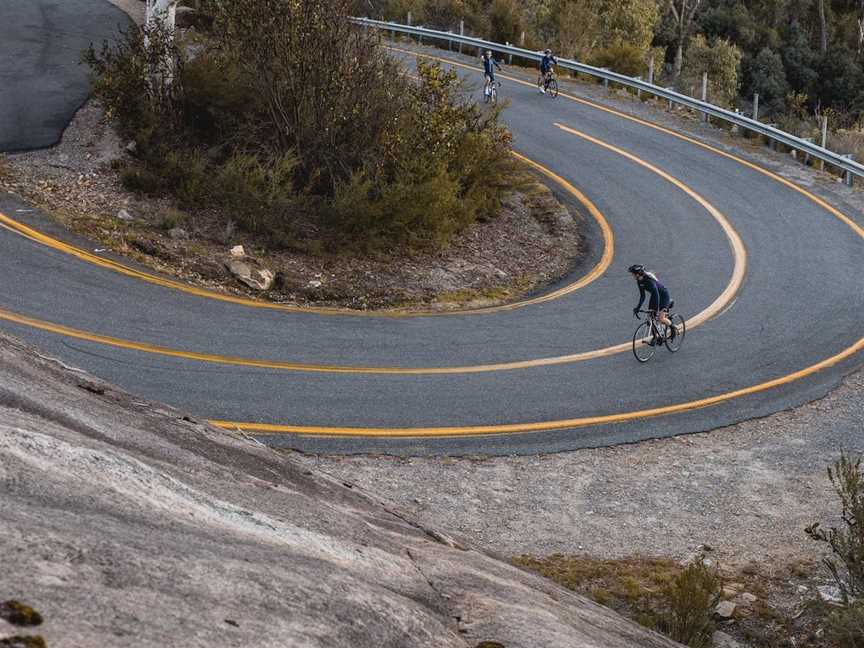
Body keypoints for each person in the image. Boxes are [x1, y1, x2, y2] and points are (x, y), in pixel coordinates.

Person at [628, 264, 674, 345]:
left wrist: (656, 310)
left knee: (660, 318)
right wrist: (637, 308)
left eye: (633, 274)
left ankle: (673, 329)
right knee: (651, 317)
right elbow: (642, 296)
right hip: (655, 296)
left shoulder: (649, 281)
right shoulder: (639, 281)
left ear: (637, 274)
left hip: (663, 296)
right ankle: (655, 337)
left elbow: (657, 295)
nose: (632, 276)